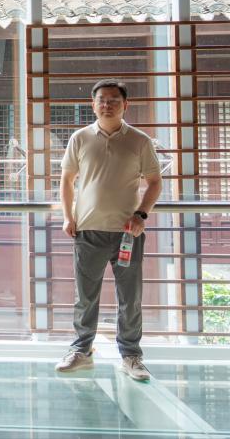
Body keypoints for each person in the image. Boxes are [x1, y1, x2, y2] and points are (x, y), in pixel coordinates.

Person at [56, 78, 162, 381]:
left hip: (128, 232)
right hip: (88, 229)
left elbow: (155, 182)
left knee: (130, 297)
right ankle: (81, 351)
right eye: (102, 100)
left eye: (114, 100)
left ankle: (131, 356)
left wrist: (141, 214)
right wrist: (68, 216)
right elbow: (67, 181)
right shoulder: (80, 138)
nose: (107, 105)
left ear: (125, 105)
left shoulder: (140, 141)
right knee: (85, 296)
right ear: (93, 104)